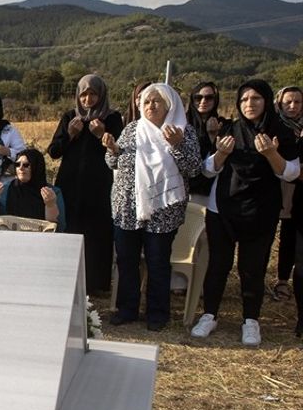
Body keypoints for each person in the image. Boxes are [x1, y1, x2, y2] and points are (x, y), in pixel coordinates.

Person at [191, 79, 301, 346]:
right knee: (218, 265)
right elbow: (207, 170)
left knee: (252, 268)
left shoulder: (281, 133)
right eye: (244, 100)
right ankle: (209, 314)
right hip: (223, 209)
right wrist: (220, 155)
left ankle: (250, 320)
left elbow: (291, 173)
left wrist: (272, 154)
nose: (249, 104)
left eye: (255, 99)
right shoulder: (229, 129)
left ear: (266, 101)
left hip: (261, 211)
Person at [102, 83, 200, 331]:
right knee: (127, 260)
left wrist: (177, 145)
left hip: (163, 212)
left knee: (157, 262)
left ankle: (157, 314)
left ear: (170, 105)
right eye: (146, 102)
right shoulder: (132, 130)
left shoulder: (182, 132)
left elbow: (193, 168)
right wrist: (112, 150)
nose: (150, 106)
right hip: (127, 208)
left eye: (157, 101)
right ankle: (127, 309)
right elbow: (113, 163)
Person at [48, 75, 123, 294]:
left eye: (93, 94)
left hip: (99, 186)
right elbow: (54, 152)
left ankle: (95, 283)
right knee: (70, 228)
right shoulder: (70, 117)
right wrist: (70, 134)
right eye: (83, 94)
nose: (88, 99)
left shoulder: (112, 118)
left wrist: (102, 135)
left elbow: (120, 151)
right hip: (70, 184)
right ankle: (66, 278)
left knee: (97, 232)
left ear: (101, 95)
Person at [0, 148, 66, 232]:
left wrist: (51, 205)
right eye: (17, 164)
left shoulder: (52, 193)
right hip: (8, 239)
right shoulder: (5, 189)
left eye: (26, 165)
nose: (21, 168)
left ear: (36, 167)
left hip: (39, 241)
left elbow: (59, 228)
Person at [273, 85, 303, 301]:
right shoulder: (273, 125)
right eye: (288, 102)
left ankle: (283, 280)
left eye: (298, 102)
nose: (292, 106)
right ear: (279, 103)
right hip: (274, 187)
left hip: (297, 188)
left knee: (289, 235)